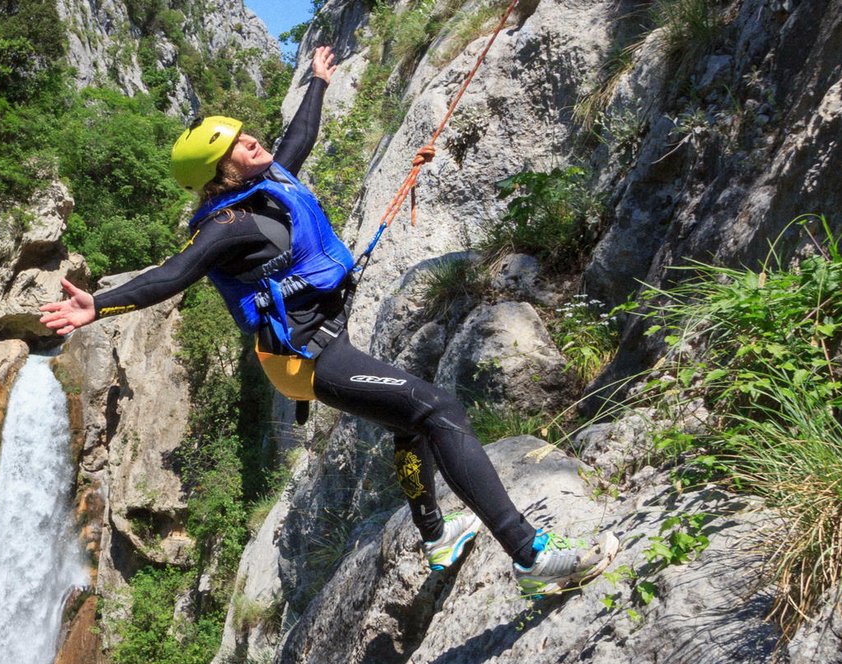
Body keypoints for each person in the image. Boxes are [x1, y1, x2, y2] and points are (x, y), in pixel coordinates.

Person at [40, 46, 617, 597]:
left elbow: (301, 136)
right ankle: (532, 557)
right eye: (236, 144)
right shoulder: (226, 225)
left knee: (409, 422)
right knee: (440, 410)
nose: (250, 139)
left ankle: (438, 538)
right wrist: (100, 304)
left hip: (319, 338)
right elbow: (170, 275)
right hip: (303, 359)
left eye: (244, 132)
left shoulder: (269, 185)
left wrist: (318, 79)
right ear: (221, 173)